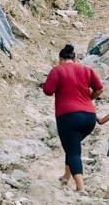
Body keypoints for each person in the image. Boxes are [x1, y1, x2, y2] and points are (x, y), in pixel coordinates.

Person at [42, 44, 103, 193]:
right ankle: (65, 177)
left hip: (68, 116)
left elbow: (48, 91)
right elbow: (100, 88)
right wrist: (88, 98)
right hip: (89, 116)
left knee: (73, 150)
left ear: (60, 59)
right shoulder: (86, 69)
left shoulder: (57, 70)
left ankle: (80, 187)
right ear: (75, 58)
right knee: (72, 146)